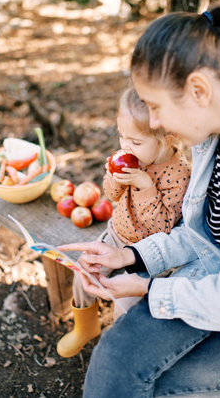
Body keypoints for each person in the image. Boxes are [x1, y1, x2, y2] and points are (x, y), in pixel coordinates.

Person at [60, 6, 220, 397]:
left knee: (157, 383)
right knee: (113, 361)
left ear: (199, 90)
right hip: (209, 284)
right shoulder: (215, 139)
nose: (155, 123)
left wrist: (148, 290)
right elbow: (206, 240)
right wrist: (130, 257)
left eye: (157, 107)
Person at [56, 87, 191, 358]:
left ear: (167, 137)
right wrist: (114, 179)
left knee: (125, 306)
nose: (126, 147)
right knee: (83, 272)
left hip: (148, 254)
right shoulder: (132, 157)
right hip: (117, 234)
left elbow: (162, 228)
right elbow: (112, 195)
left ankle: (121, 350)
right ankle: (86, 327)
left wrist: (146, 187)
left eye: (136, 142)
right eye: (121, 137)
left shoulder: (179, 174)